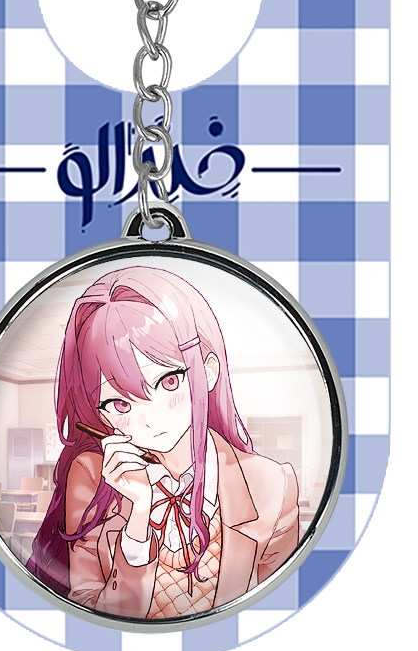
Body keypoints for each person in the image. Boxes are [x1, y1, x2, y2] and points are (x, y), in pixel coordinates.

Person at [26, 265, 299, 619]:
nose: (149, 419)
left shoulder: (272, 485)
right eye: (120, 404)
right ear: (100, 412)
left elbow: (276, 608)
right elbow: (87, 612)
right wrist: (138, 518)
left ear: (208, 371)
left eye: (168, 382)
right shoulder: (93, 477)